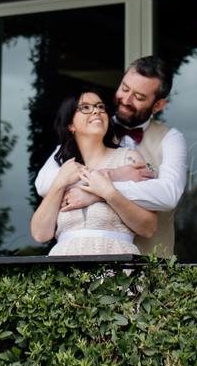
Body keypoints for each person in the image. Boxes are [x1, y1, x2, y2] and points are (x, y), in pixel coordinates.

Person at [34, 57, 186, 257]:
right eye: (124, 88)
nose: (126, 99)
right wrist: (115, 175)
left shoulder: (171, 139)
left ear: (158, 105)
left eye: (139, 97)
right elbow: (45, 184)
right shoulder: (88, 131)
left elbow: (168, 194)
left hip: (150, 264)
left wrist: (98, 191)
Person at [30, 90, 158, 256]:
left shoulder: (128, 159)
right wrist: (60, 182)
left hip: (117, 268)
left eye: (100, 107)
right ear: (70, 125)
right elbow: (41, 234)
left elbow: (149, 228)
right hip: (65, 268)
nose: (96, 111)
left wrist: (108, 193)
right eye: (85, 107)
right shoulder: (62, 169)